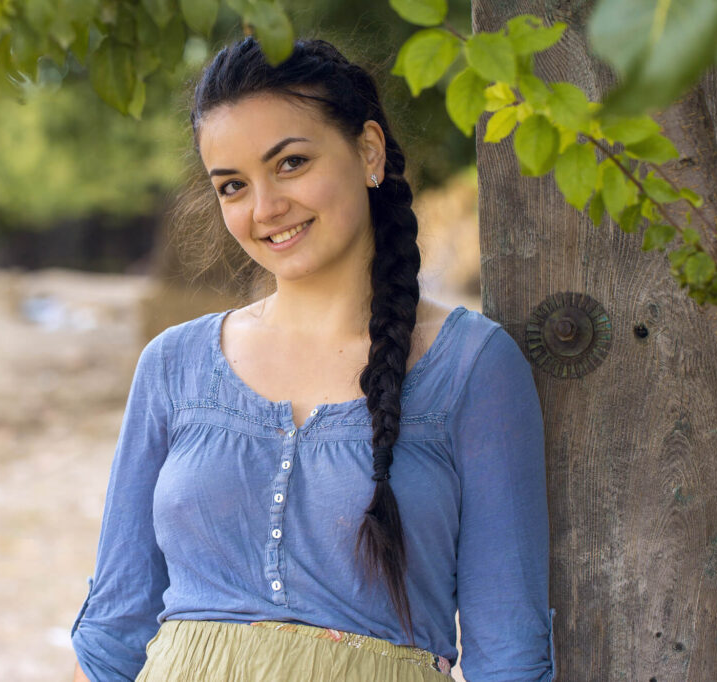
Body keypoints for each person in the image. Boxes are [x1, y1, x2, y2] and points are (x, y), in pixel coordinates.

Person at [71, 35, 555, 681]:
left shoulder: (471, 366)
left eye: (292, 163)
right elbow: (112, 632)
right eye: (233, 185)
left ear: (369, 152)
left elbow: (511, 649)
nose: (265, 208)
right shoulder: (175, 365)